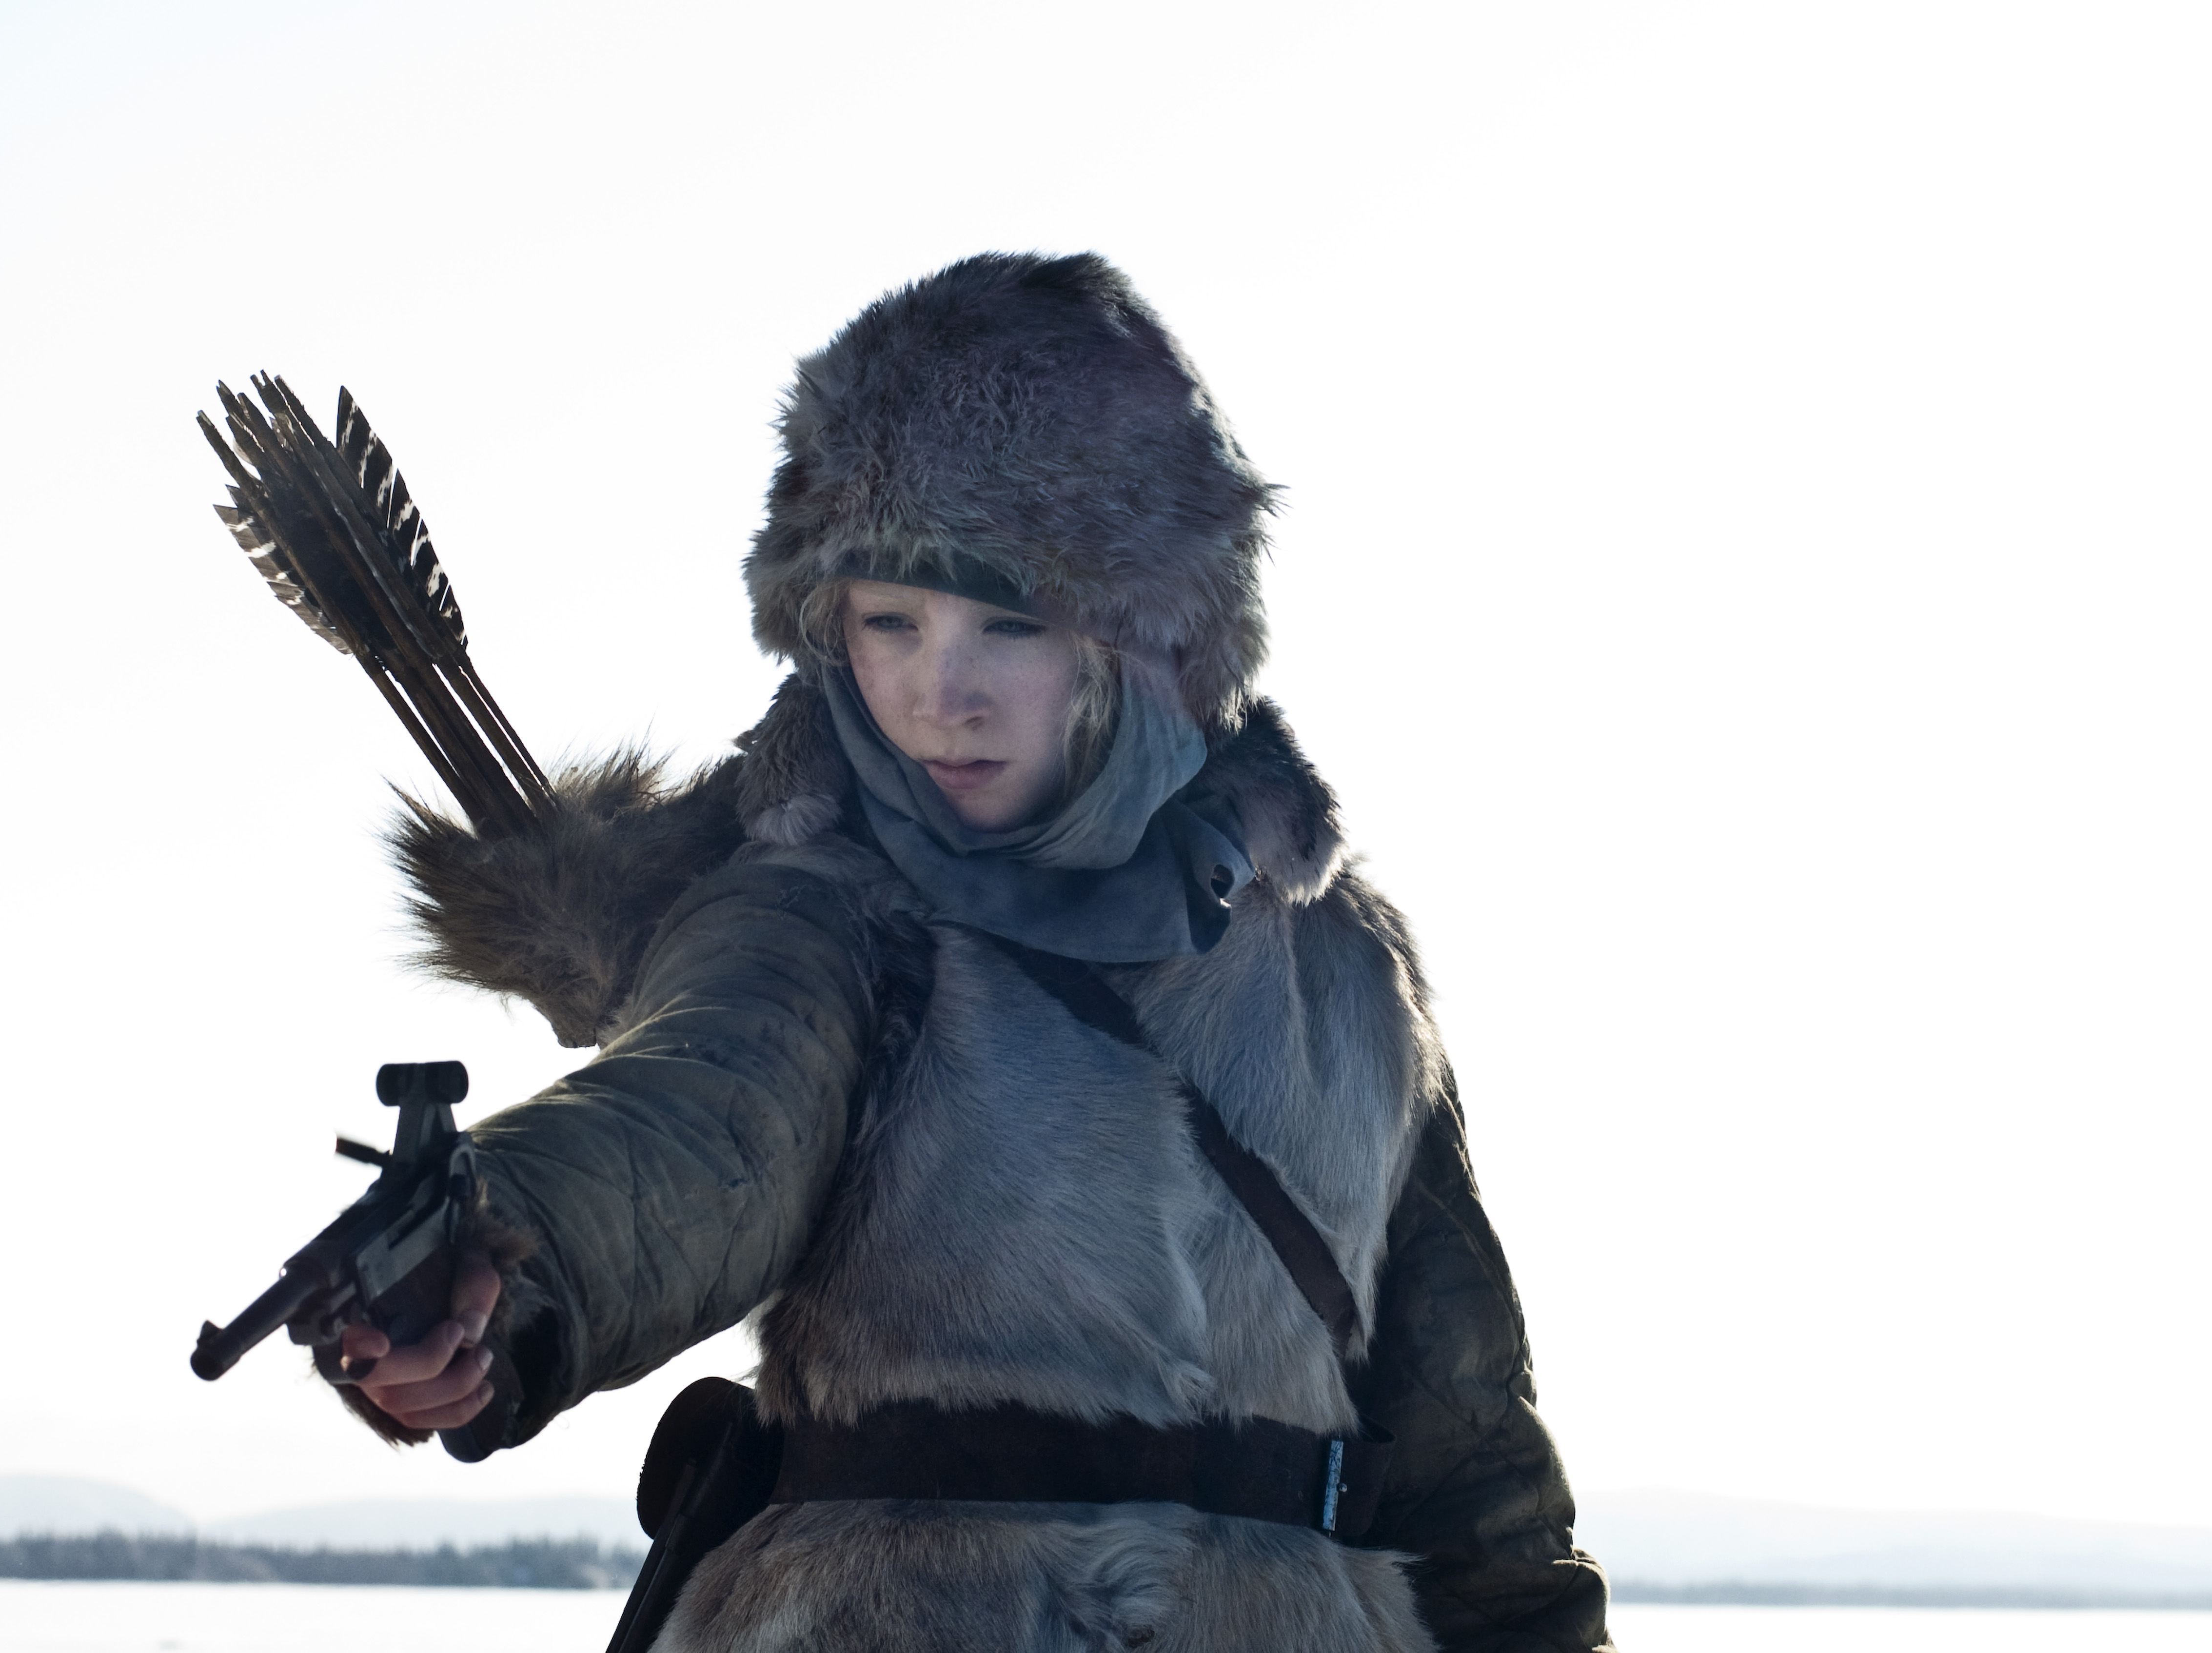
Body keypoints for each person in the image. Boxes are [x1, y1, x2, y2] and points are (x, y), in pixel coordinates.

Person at [331, 253, 1613, 1653]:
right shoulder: (815, 908)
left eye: (1011, 623)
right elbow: (698, 1120)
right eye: (891, 623)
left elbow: (1470, 1452)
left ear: (1147, 639)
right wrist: (492, 1258)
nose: (942, 693)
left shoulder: (1344, 969)